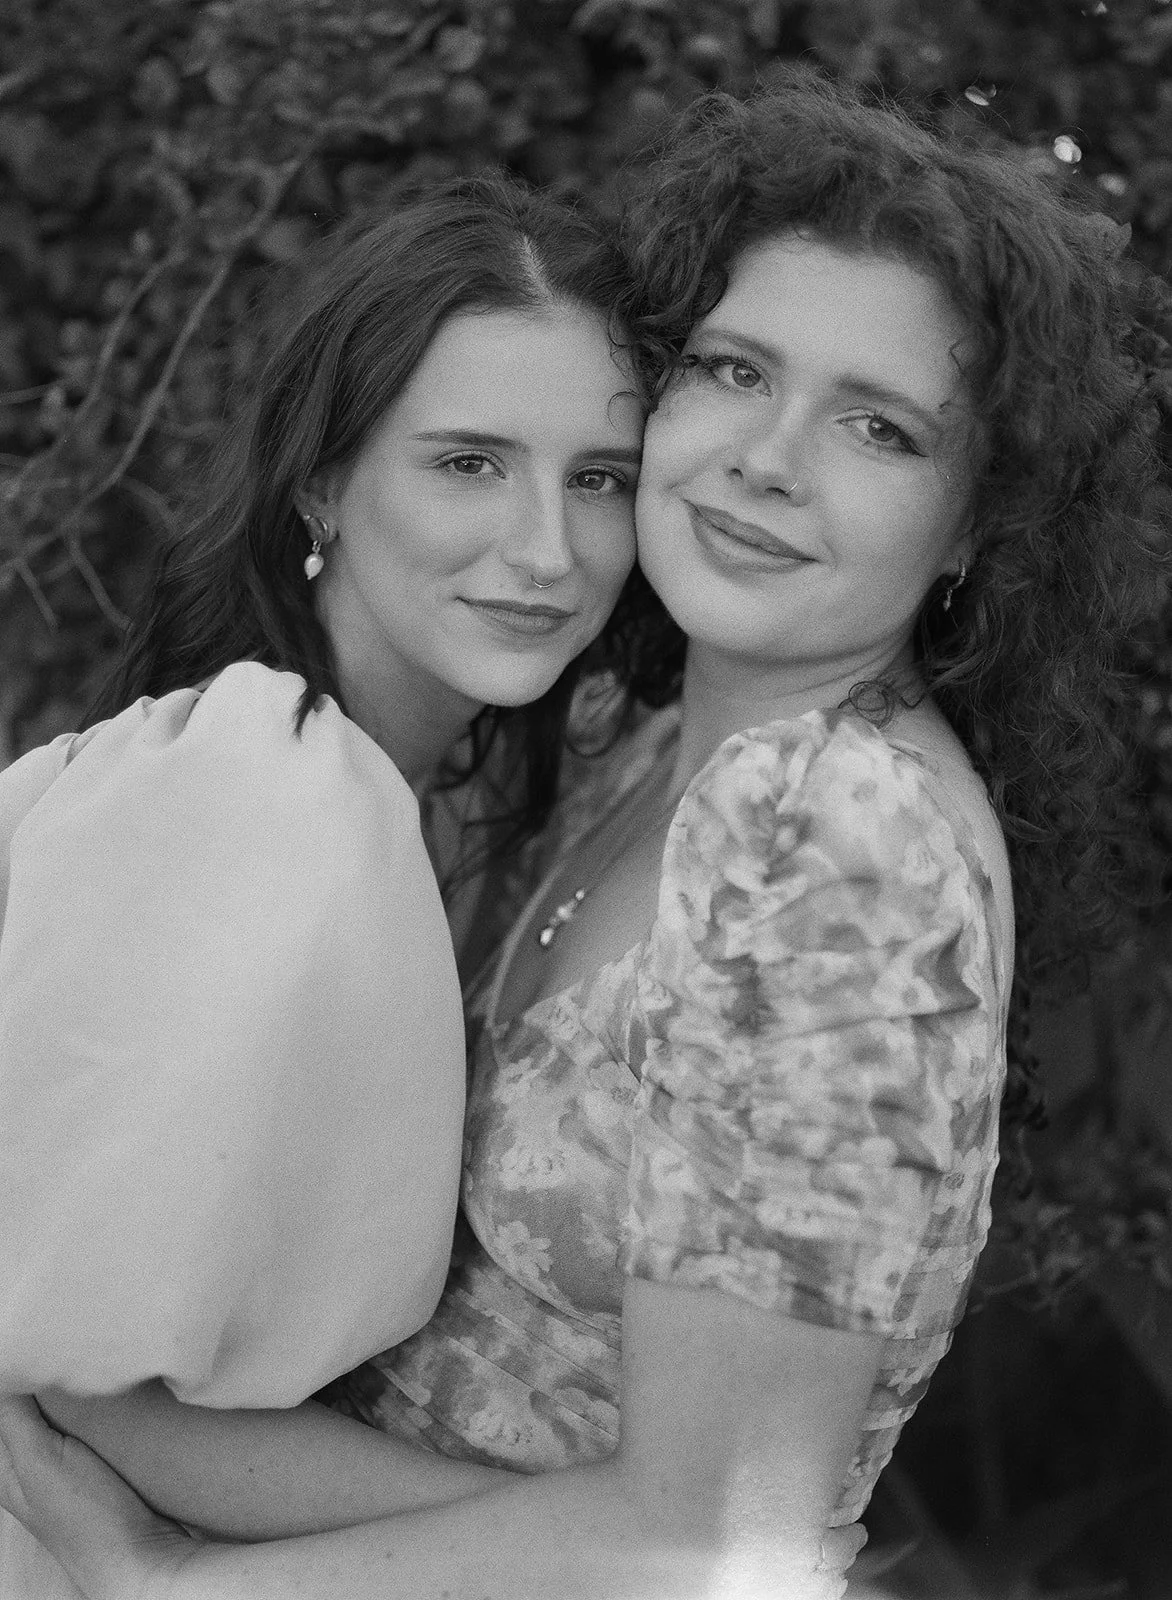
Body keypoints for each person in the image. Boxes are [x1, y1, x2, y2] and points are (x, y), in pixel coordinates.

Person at [2, 65, 1166, 1599]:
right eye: (737, 371)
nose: (766, 454)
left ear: (977, 528)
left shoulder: (832, 841)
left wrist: (156, 1584)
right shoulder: (649, 752)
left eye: (879, 428)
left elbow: (717, 1539)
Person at [0, 172, 645, 1594]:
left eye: (599, 478)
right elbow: (108, 1392)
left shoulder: (368, 785)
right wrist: (623, 1543)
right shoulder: (262, 785)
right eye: (469, 462)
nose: (546, 550)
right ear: (324, 482)